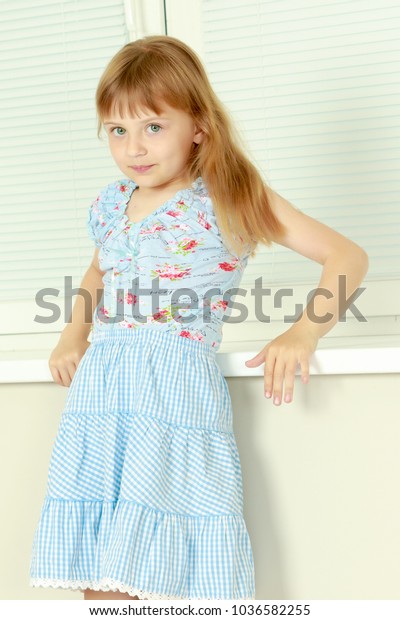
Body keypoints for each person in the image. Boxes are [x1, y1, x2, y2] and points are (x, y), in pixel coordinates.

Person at [29, 35, 368, 601]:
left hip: (174, 394)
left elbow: (347, 257)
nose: (134, 147)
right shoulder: (110, 204)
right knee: (103, 575)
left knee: (165, 573)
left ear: (199, 127)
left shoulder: (229, 197)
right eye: (118, 130)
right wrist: (72, 335)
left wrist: (303, 331)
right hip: (103, 395)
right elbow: (98, 272)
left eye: (153, 127)